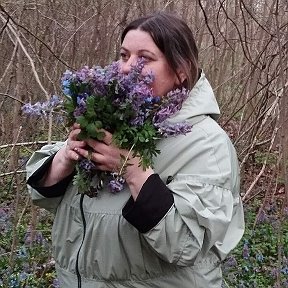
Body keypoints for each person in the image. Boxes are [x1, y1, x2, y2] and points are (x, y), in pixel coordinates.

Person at [26, 11, 245, 288]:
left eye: (145, 58)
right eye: (123, 55)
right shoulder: (113, 120)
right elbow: (43, 195)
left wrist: (133, 170)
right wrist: (64, 160)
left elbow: (187, 245)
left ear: (180, 70)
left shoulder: (206, 144)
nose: (127, 67)